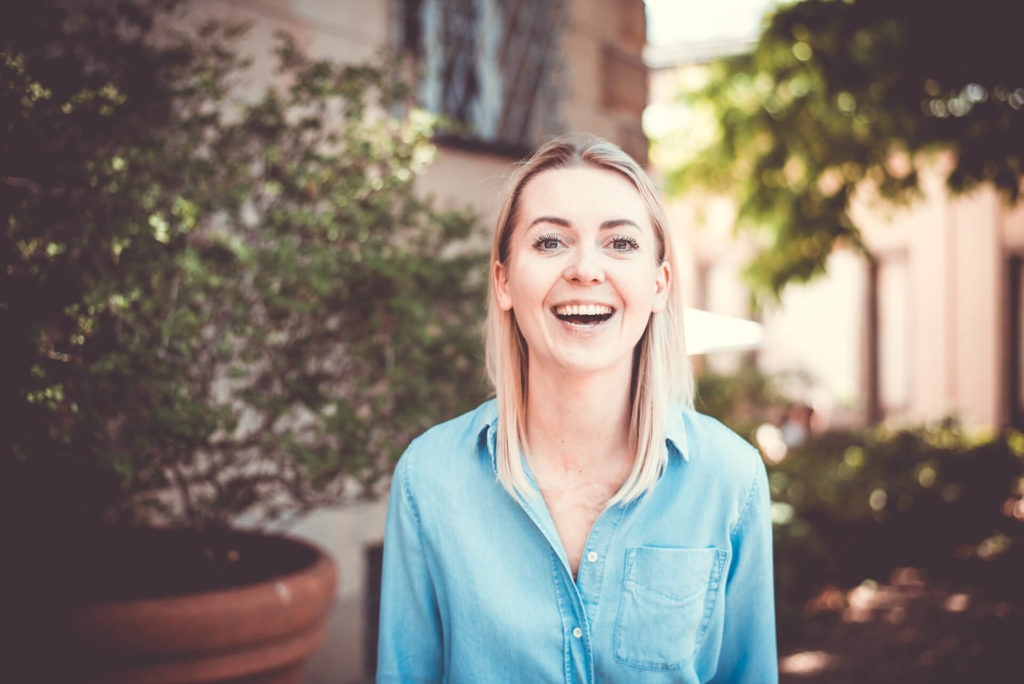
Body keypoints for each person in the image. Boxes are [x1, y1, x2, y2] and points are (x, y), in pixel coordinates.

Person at [376, 134, 777, 683]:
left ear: (659, 285)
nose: (586, 270)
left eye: (621, 244)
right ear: (503, 281)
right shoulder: (429, 479)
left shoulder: (731, 479)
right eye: (549, 243)